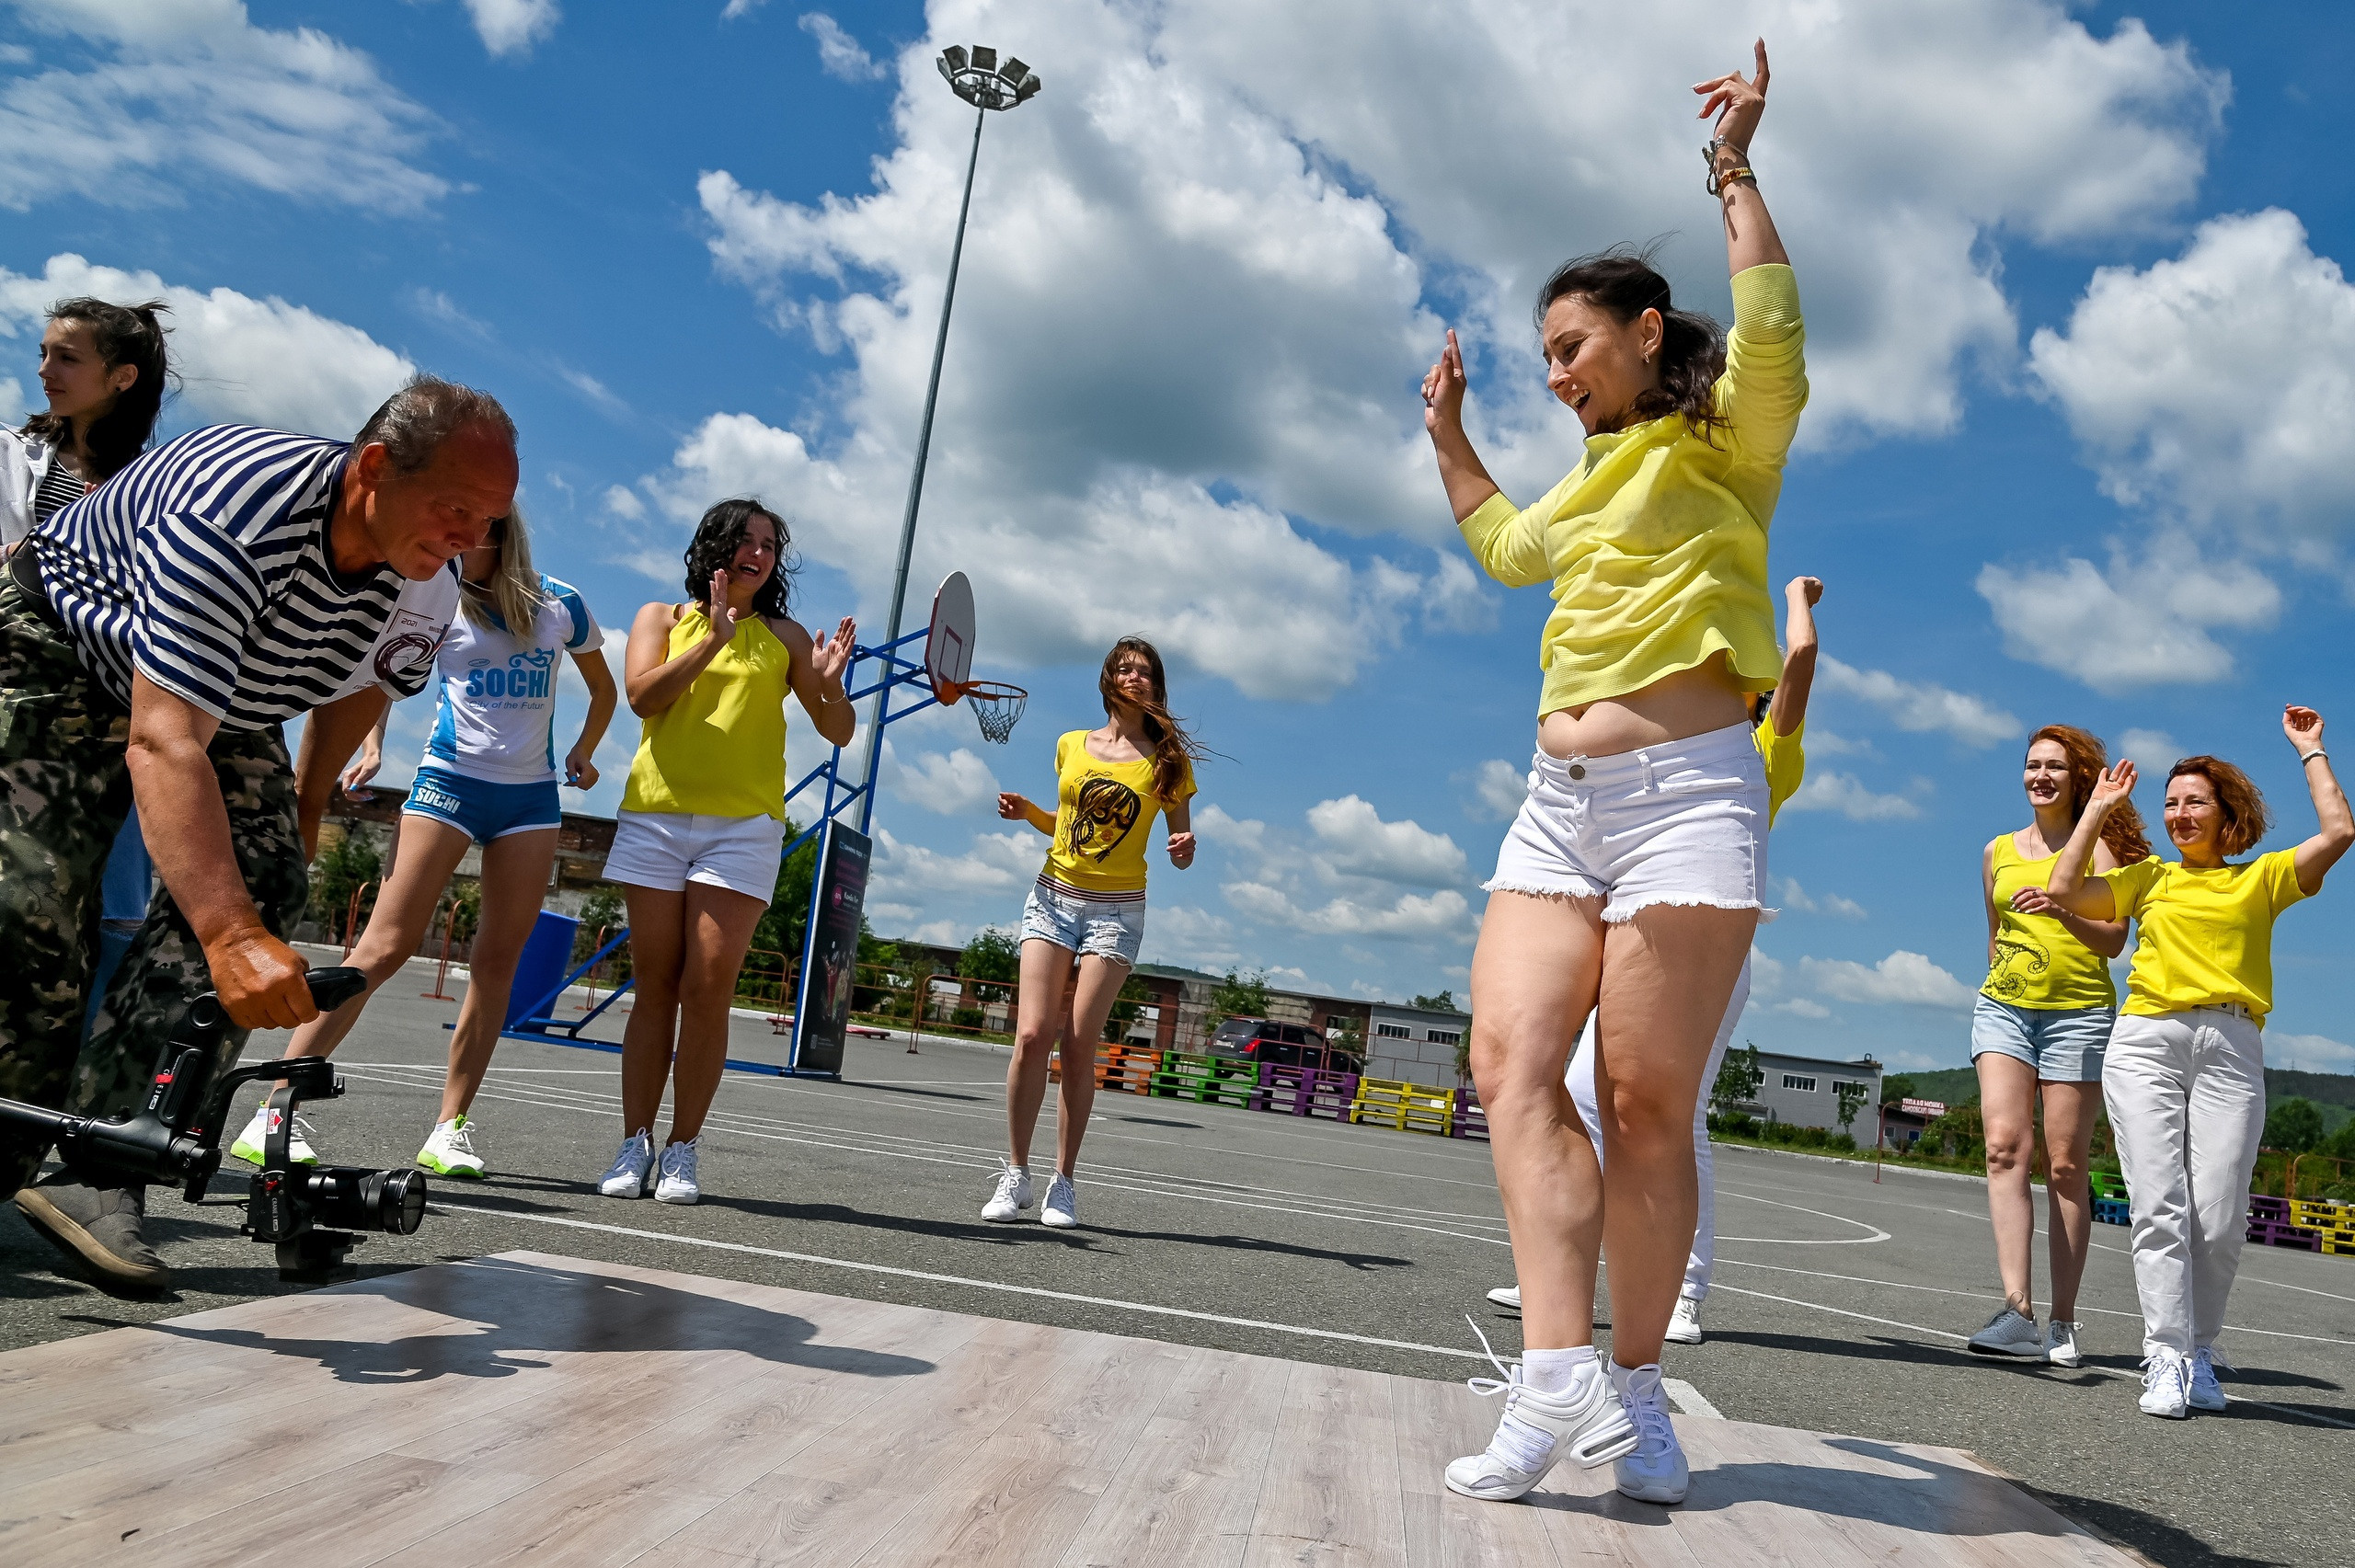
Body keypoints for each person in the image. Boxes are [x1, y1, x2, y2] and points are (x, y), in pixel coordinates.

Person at [1422, 41, 1802, 1507]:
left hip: (1695, 793)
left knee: (1647, 1106)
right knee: (1511, 1065)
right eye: (1544, 366)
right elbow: (1509, 548)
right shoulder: (1577, 485)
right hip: (1555, 803)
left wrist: (1736, 167)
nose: (1560, 379)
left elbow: (1770, 333)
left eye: (1573, 350)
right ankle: (1552, 1381)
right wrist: (1454, 441)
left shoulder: (1728, 448)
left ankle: (1637, 1402)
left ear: (1647, 334)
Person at [2, 376, 517, 1287]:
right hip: (62, 640)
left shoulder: (425, 585)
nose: (470, 541)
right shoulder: (242, 513)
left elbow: (360, 686)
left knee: (267, 873)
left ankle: (98, 1168)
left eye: (489, 521)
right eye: (456, 508)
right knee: (32, 902)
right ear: (372, 470)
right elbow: (163, 741)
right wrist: (227, 934)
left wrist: (304, 809)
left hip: (222, 694)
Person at [233, 504, 616, 1178]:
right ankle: (276, 1108)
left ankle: (450, 1127)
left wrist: (584, 750)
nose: (454, 541)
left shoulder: (562, 604)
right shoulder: (433, 596)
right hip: (449, 784)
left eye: (470, 531)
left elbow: (604, 689)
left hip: (531, 800)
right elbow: (382, 675)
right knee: (382, 947)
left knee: (499, 966)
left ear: (499, 533)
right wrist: (374, 744)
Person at [1489, 574, 1822, 1345]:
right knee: (1577, 1086)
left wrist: (1796, 598)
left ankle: (1687, 1292)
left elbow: (1798, 658)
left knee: (1675, 1112)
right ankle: (1567, 1261)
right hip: (1631, 934)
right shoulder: (1655, 743)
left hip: (1707, 953)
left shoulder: (1764, 750)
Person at [2046, 712, 2350, 1419]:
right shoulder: (2148, 876)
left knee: (2218, 1213)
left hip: (2233, 1042)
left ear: (2227, 815)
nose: (2180, 814)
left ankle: (2202, 1351)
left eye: (2195, 802)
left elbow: (2339, 832)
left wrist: (2311, 750)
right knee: (2159, 1204)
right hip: (2147, 1038)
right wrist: (2096, 808)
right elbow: (2064, 890)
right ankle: (2166, 1355)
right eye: (2172, 802)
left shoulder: (2263, 880)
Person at [595, 498, 854, 1206]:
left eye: (770, 543)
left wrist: (829, 684)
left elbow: (838, 731)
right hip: (655, 817)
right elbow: (643, 699)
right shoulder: (660, 618)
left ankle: (682, 1150)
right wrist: (709, 639)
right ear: (715, 546)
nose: (759, 552)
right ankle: (634, 1142)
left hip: (742, 830)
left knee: (706, 987)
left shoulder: (786, 636)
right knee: (654, 985)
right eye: (745, 539)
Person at [985, 636, 1200, 1230]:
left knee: (1079, 1043)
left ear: (1157, 687)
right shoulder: (1070, 745)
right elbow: (1073, 827)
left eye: (1146, 672)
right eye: (1126, 669)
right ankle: (1016, 1173)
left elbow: (1180, 845)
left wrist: (1184, 846)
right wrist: (1032, 814)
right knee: (1032, 1034)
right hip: (1053, 894)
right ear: (1107, 680)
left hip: (1117, 908)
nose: (1136, 677)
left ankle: (1064, 1182)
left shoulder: (1168, 763)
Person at [1, 301, 176, 1025]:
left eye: (67, 357)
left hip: (115, 711)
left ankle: (85, 1103)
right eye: (44, 353)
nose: (45, 370)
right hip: (19, 705)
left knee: (116, 908)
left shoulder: (154, 487)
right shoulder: (11, 455)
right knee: (16, 897)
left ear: (122, 376)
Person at [1963, 727, 2149, 1368]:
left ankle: (2063, 1322)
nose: (2040, 775)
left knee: (2066, 1165)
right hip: (2005, 1008)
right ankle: (2016, 1310)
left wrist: (2062, 911)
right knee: (2003, 1147)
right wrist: (1996, 991)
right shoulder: (1995, 850)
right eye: (2032, 764)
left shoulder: (2103, 848)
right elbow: (1993, 937)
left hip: (2078, 1015)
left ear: (2078, 778)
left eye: (2055, 767)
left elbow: (2112, 942)